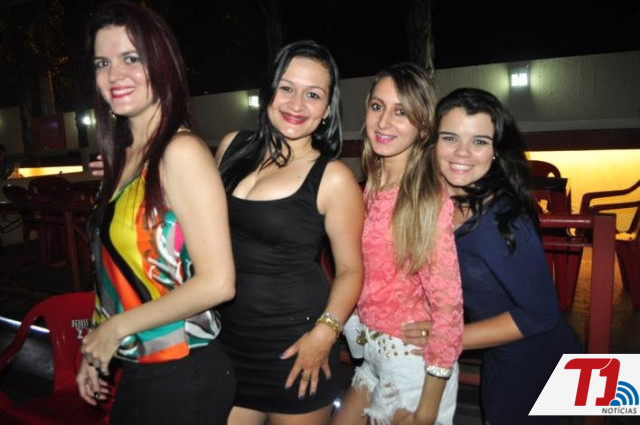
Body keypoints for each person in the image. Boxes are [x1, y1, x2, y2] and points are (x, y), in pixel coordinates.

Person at [76, 2, 236, 424]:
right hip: (140, 367)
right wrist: (95, 347)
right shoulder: (124, 159)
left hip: (183, 369)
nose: (115, 74)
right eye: (102, 62)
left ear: (162, 63)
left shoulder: (180, 153)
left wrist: (115, 329)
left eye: (131, 58)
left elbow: (218, 283)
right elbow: (112, 272)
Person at [402, 87, 583, 425]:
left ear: (496, 151)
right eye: (450, 138)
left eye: (479, 141)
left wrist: (447, 336)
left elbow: (541, 314)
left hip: (538, 360)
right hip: (501, 354)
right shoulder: (442, 202)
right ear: (433, 143)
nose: (462, 152)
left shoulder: (504, 220)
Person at [215, 40, 364, 425]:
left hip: (298, 346)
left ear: (327, 110)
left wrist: (325, 335)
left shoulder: (333, 177)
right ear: (269, 91)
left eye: (313, 94)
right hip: (226, 342)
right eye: (287, 88)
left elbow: (351, 270)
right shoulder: (231, 146)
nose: (296, 104)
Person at [333, 63, 463, 425]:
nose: (384, 121)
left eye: (401, 112)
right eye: (378, 106)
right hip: (372, 355)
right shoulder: (372, 185)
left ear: (423, 127)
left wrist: (426, 412)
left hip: (411, 368)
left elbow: (449, 309)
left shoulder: (425, 199)